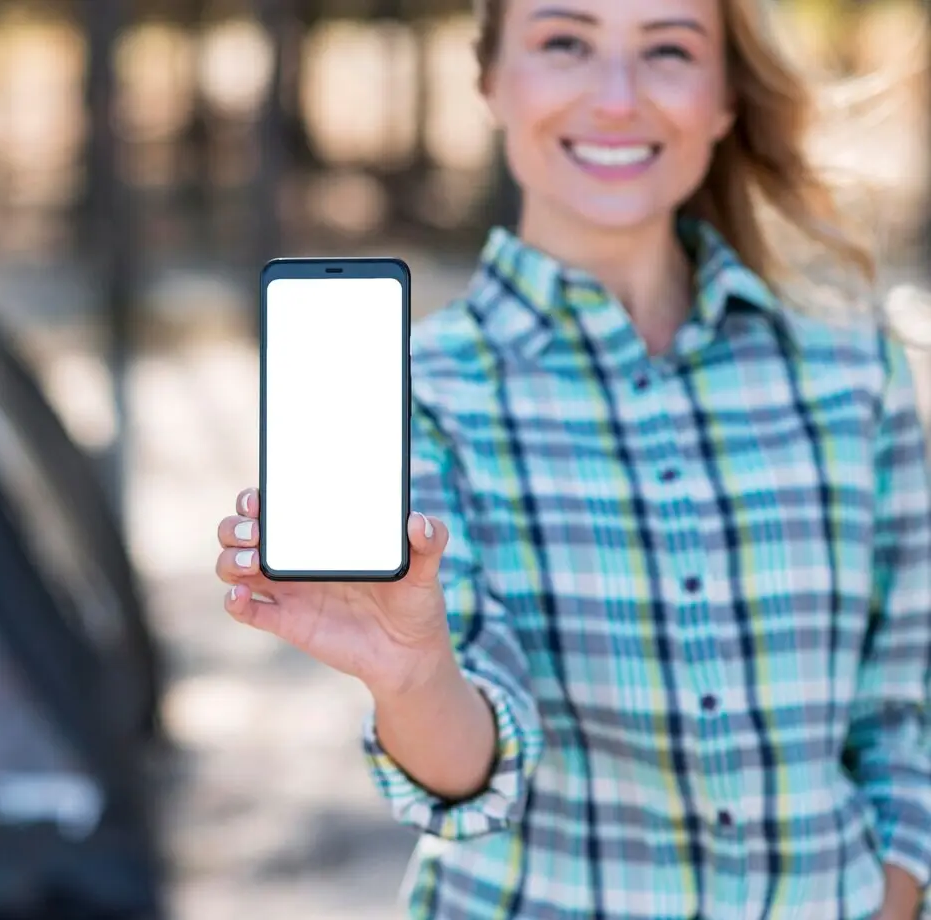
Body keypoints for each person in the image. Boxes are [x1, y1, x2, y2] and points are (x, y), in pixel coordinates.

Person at [214, 0, 931, 917]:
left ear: (722, 98)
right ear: (492, 82)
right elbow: (472, 773)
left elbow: (900, 713)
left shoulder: (850, 366)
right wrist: (413, 669)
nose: (617, 97)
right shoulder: (420, 391)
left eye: (668, 51)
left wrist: (895, 895)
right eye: (565, 43)